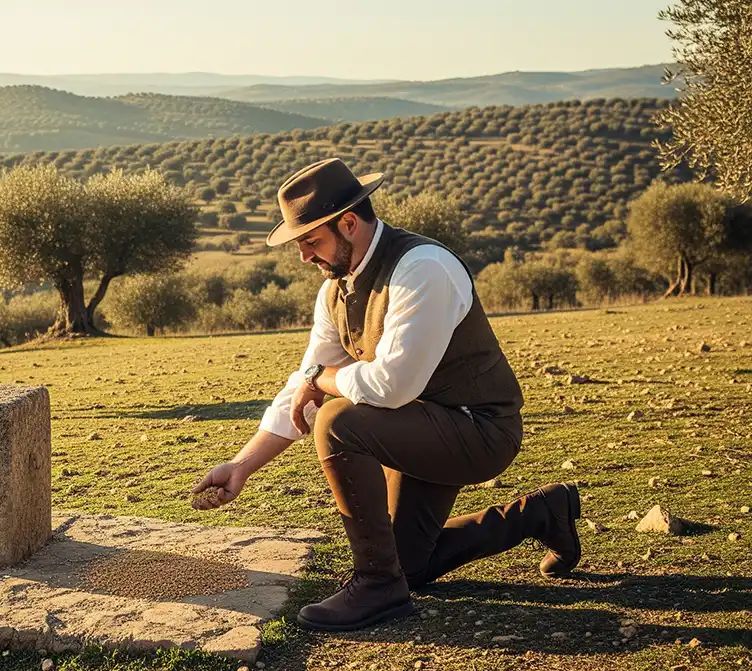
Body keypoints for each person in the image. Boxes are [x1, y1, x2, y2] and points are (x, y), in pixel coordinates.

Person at [191, 158, 582, 632]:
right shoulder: (333, 292)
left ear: (349, 223)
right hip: (420, 426)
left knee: (338, 423)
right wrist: (242, 466)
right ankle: (542, 513)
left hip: (480, 430)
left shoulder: (423, 268)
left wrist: (322, 380)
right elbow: (305, 384)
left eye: (311, 242)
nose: (304, 257)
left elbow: (390, 385)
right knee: (411, 565)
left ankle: (376, 586)